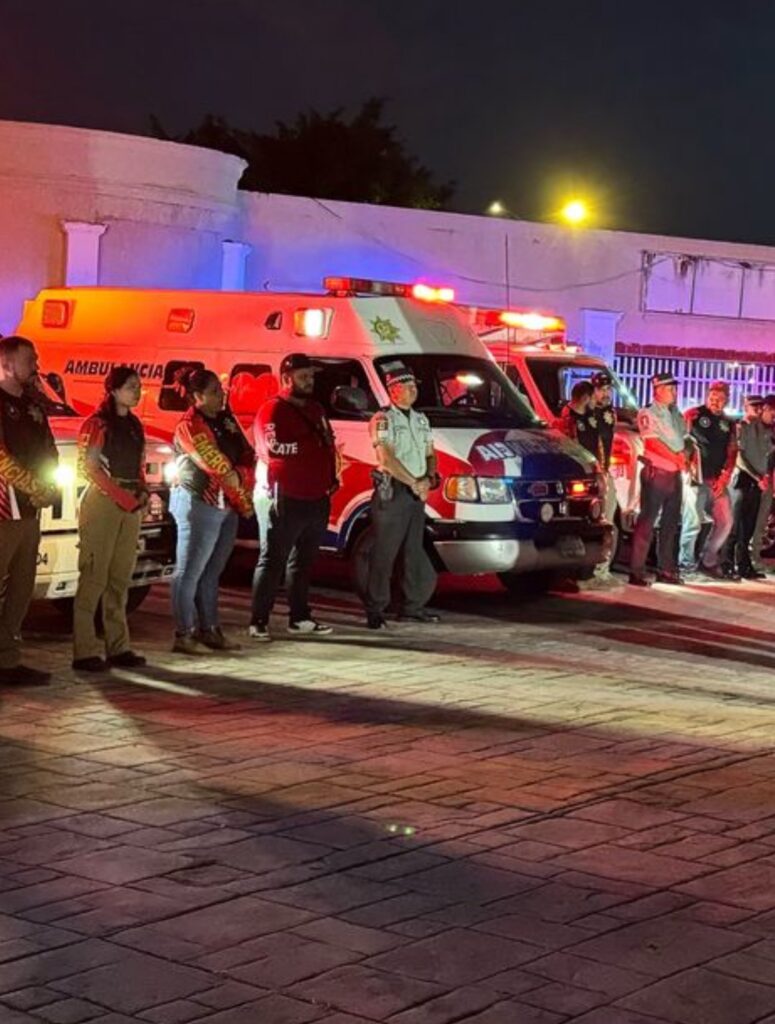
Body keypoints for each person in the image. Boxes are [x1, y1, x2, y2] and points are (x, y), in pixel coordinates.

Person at [250, 354, 338, 640]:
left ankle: (299, 617)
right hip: (285, 497)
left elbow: (328, 442)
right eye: (303, 376)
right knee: (272, 559)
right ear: (286, 379)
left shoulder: (316, 408)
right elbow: (273, 448)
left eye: (311, 376)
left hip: (316, 497)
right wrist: (308, 445)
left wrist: (329, 477)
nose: (310, 381)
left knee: (303, 562)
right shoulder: (272, 409)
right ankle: (258, 620)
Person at [170, 366, 254, 654]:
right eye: (215, 392)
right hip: (199, 503)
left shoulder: (225, 419)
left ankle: (210, 629)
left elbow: (247, 454)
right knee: (189, 571)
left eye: (222, 390)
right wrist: (238, 476)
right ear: (197, 396)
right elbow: (216, 465)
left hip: (227, 503)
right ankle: (184, 633)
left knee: (212, 571)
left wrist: (240, 477)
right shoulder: (190, 425)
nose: (222, 396)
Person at [73, 367, 149, 672]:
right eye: (131, 386)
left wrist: (142, 491)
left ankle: (119, 647)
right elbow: (89, 468)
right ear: (113, 390)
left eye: (139, 386)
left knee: (120, 578)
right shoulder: (97, 424)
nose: (137, 392)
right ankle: (84, 651)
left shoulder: (134, 425)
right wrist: (122, 497)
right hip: (104, 502)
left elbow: (139, 464)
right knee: (94, 577)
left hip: (130, 503)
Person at [0, 336, 59, 686]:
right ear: (7, 365)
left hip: (31, 511)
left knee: (21, 589)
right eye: (30, 360)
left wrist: (49, 486)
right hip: (4, 510)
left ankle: (8, 659)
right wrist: (34, 487)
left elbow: (49, 449)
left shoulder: (34, 404)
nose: (36, 365)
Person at [364, 363, 439, 629]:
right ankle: (375, 610)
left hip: (417, 492)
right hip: (394, 491)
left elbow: (430, 453)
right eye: (407, 386)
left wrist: (428, 478)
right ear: (393, 390)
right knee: (384, 554)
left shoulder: (421, 419)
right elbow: (386, 459)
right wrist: (415, 483)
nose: (413, 390)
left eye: (414, 385)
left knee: (412, 551)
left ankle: (412, 607)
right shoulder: (383, 419)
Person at [629, 372, 693, 587]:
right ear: (657, 390)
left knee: (671, 523)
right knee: (647, 522)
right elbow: (652, 442)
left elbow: (685, 438)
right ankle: (636, 570)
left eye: (675, 388)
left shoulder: (676, 413)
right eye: (670, 389)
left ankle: (666, 568)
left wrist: (686, 456)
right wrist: (676, 458)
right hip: (657, 472)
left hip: (675, 474)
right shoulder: (648, 413)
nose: (675, 393)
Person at [679, 381, 737, 580]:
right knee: (692, 523)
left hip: (717, 481)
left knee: (726, 521)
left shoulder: (729, 423)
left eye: (720, 399)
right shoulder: (694, 415)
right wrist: (686, 466)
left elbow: (732, 452)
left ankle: (708, 560)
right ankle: (685, 565)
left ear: (726, 400)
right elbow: (683, 442)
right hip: (696, 478)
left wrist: (725, 478)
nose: (715, 402)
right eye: (712, 397)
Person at [732, 393, 773, 580]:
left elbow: (768, 456)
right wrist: (758, 477)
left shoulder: (765, 430)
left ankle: (746, 563)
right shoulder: (743, 427)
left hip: (760, 482)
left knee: (752, 525)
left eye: (760, 407)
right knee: (739, 526)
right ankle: (736, 563)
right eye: (754, 406)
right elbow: (740, 457)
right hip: (744, 481)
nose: (757, 410)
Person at [750, 393, 775, 573]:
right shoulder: (751, 427)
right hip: (752, 481)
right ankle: (746, 559)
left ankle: (756, 558)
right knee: (747, 522)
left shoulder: (771, 431)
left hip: (768, 481)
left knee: (761, 522)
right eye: (772, 413)